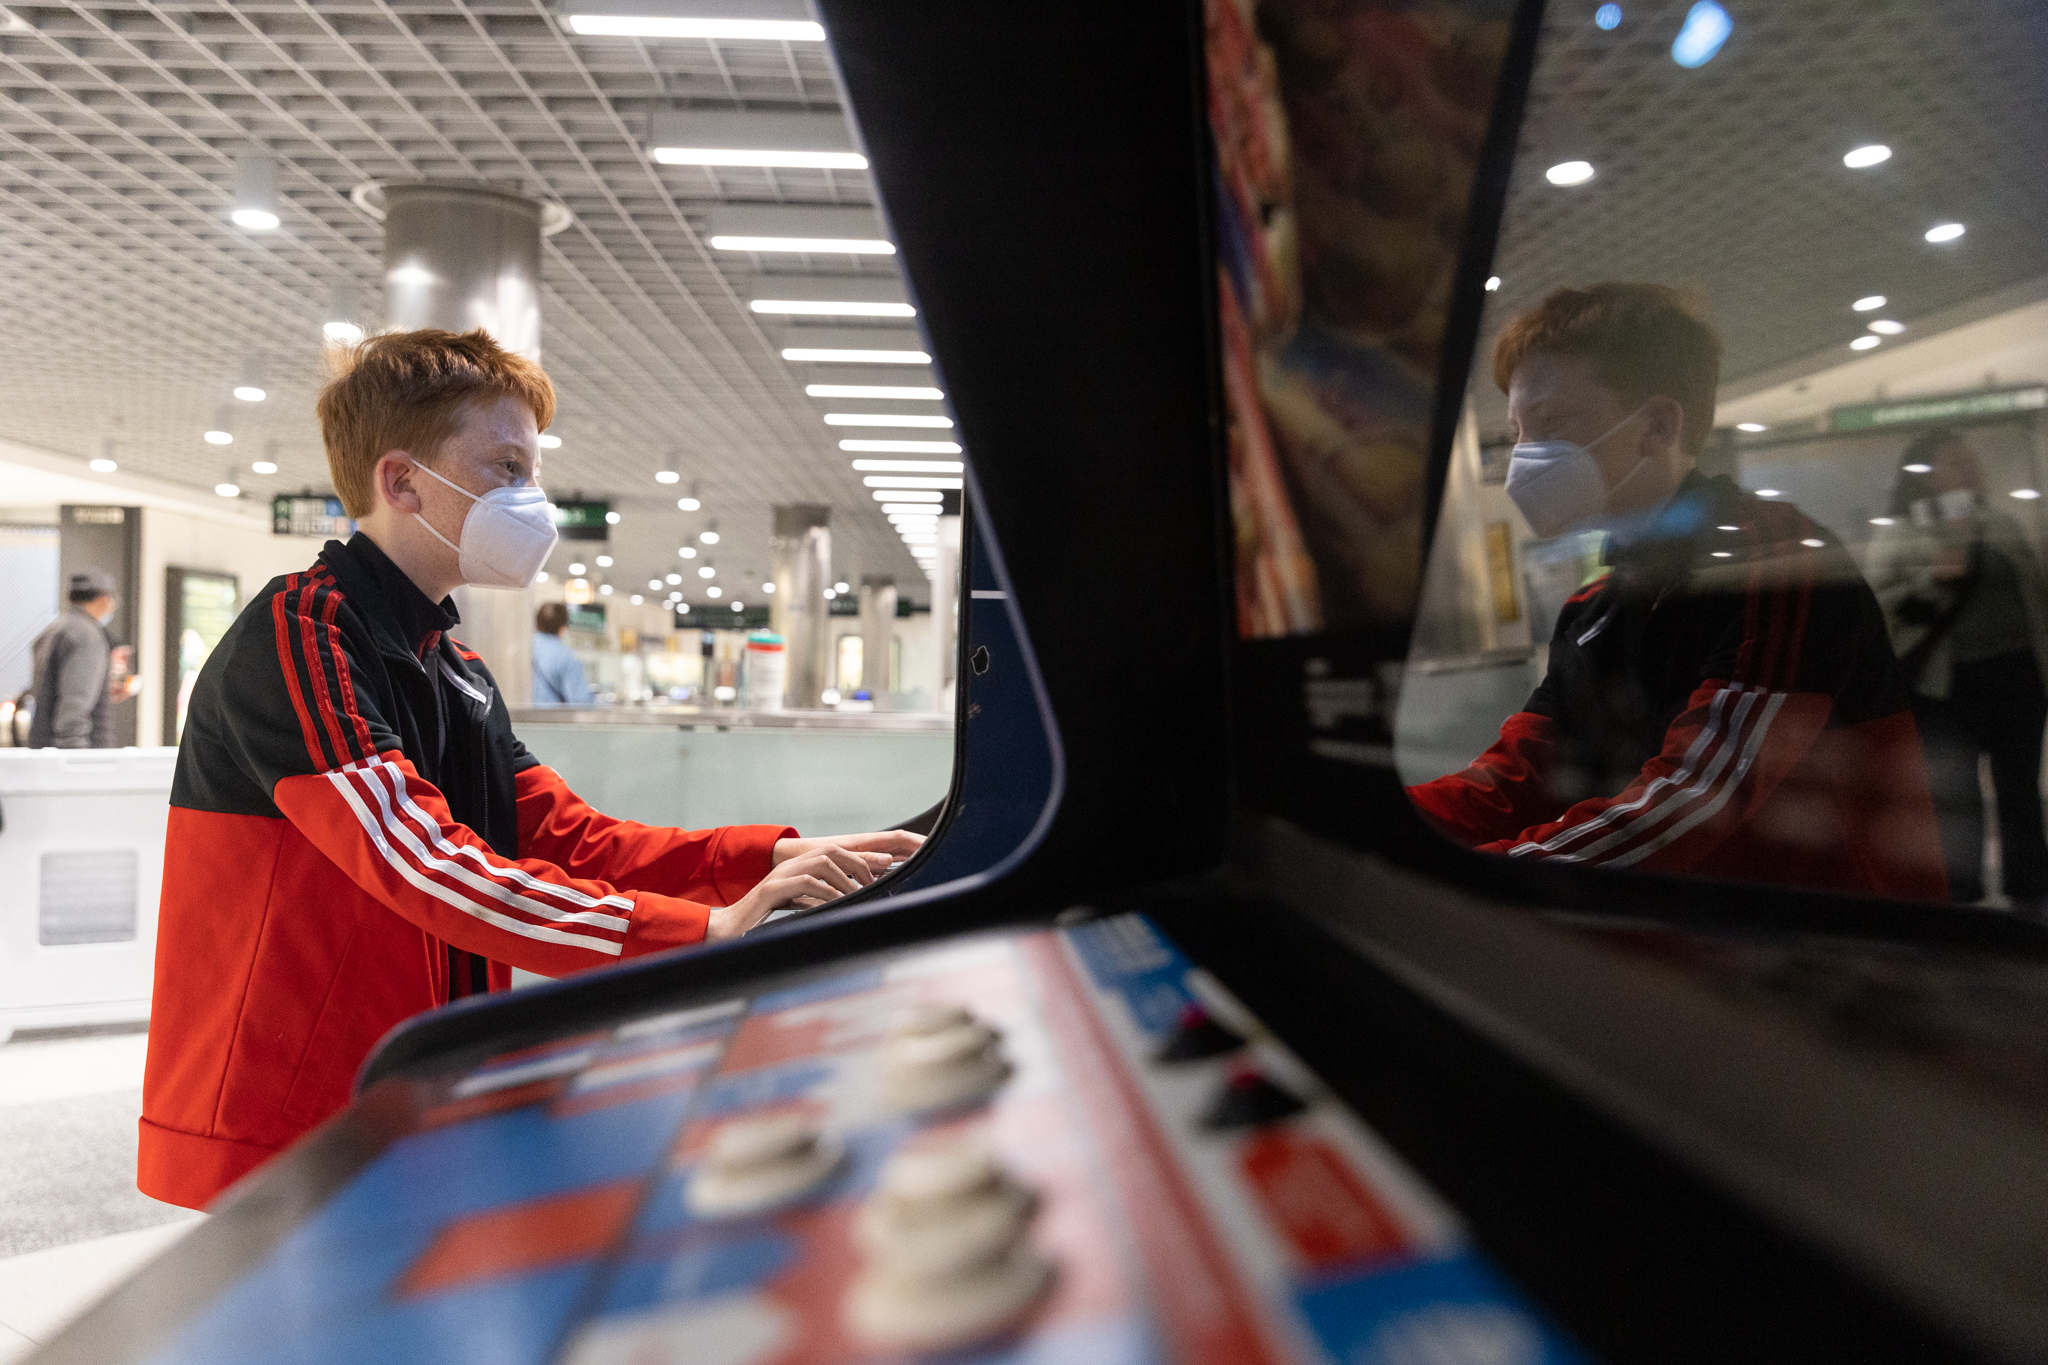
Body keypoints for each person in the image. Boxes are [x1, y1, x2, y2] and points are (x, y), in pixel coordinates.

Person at [141, 329, 923, 1209]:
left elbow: (571, 838)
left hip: (410, 1087)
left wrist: (765, 860)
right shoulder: (302, 634)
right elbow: (423, 862)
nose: (533, 501)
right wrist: (699, 934)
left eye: (534, 473)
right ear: (401, 481)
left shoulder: (452, 667)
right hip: (291, 1116)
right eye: (505, 469)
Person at [1408, 284, 1944, 898]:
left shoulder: (1776, 561)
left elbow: (1698, 796)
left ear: (1659, 425)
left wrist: (1482, 877)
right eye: (1518, 432)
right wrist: (1391, 821)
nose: (1525, 456)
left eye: (1552, 424)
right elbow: (1525, 772)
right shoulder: (1597, 603)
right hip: (1688, 947)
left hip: (1825, 963)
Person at [1865, 429, 2048, 907]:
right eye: (1955, 461)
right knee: (1956, 797)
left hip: (2017, 676)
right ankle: (1961, 897)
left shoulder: (2001, 523)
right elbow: (1881, 610)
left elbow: (2035, 599)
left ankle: (2029, 893)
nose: (1970, 467)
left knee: (2020, 790)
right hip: (1946, 686)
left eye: (1972, 458)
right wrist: (1932, 579)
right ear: (1924, 477)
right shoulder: (1901, 533)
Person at [27, 568, 120, 748]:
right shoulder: (86, 636)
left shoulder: (55, 629)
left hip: (43, 751)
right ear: (103, 600)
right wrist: (77, 764)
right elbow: (73, 711)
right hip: (75, 762)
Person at [532, 600, 593, 704]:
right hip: (552, 719)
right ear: (562, 628)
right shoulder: (566, 656)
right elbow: (580, 701)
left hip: (518, 718)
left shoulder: (521, 649)